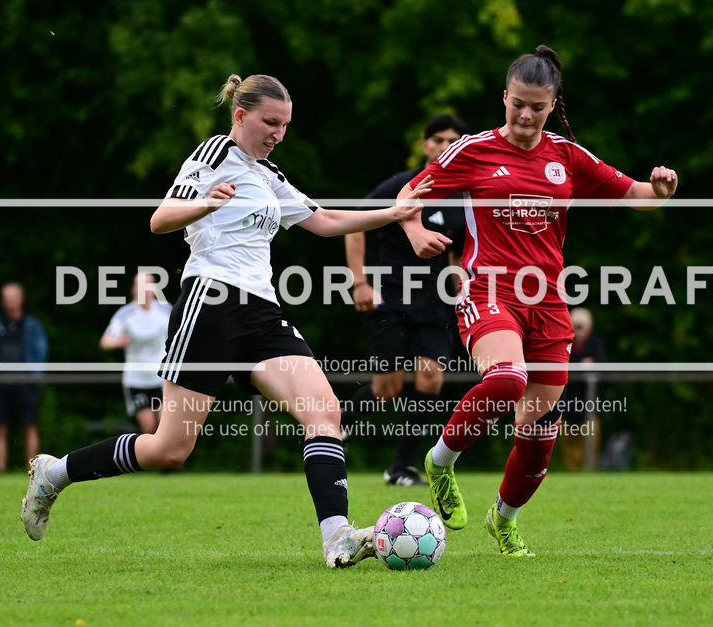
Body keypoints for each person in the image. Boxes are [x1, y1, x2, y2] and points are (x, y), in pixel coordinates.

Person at [22, 73, 432, 569]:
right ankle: (55, 474)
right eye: (270, 122)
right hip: (211, 303)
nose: (279, 133)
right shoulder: (215, 153)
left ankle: (337, 537)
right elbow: (160, 219)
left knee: (324, 412)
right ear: (241, 116)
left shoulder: (269, 174)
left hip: (263, 312)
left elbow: (323, 221)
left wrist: (393, 213)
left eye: (285, 125)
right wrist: (207, 202)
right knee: (170, 448)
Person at [397, 45, 678, 556]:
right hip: (488, 289)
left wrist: (659, 190)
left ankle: (503, 519)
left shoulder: (566, 156)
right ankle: (439, 462)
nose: (525, 116)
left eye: (537, 107)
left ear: (552, 105)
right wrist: (415, 231)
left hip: (548, 303)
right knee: (507, 379)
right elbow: (409, 195)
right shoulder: (473, 151)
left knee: (539, 433)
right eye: (517, 104)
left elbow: (634, 193)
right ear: (503, 97)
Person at [343, 113, 469, 487]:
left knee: (431, 379)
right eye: (439, 139)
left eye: (454, 141)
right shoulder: (402, 185)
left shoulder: (463, 197)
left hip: (433, 301)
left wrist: (462, 288)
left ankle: (400, 468)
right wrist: (359, 282)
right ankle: (337, 425)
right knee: (388, 389)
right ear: (425, 144)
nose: (445, 146)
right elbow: (354, 226)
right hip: (390, 294)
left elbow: (457, 253)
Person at [0, 282, 50, 473]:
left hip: (26, 382)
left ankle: (33, 470)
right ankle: (0, 470)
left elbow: (41, 352)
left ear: (21, 300)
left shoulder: (32, 325)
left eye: (13, 297)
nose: (10, 301)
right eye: (6, 298)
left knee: (29, 426)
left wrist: (36, 376)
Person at [100, 272, 172, 435]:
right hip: (137, 380)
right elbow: (105, 341)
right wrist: (116, 341)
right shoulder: (125, 314)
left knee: (165, 427)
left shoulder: (166, 310)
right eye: (142, 285)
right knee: (149, 428)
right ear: (134, 289)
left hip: (162, 378)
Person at [558, 307, 607, 472]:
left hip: (589, 404)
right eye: (575, 327)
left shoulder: (596, 341)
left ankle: (589, 473)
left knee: (591, 443)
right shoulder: (564, 341)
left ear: (589, 327)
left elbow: (602, 365)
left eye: (581, 327)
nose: (578, 331)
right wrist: (582, 364)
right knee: (569, 445)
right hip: (566, 404)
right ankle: (573, 474)